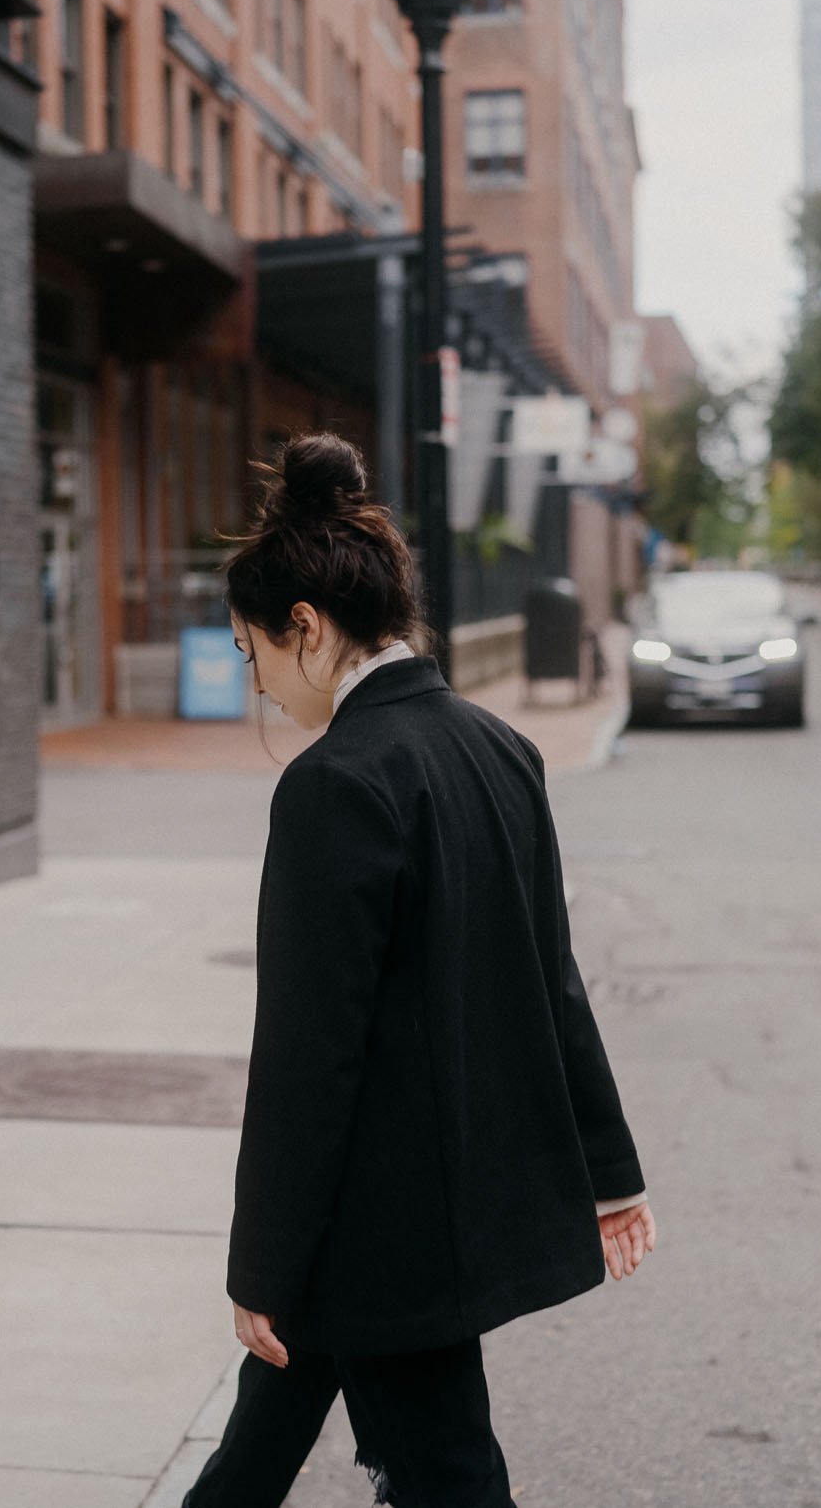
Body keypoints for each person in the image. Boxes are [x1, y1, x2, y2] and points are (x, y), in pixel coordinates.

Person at [184, 434, 654, 1508]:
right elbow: (553, 976)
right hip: (422, 1211)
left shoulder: (334, 784)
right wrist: (609, 1163)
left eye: (252, 652)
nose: (258, 682)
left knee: (446, 1480)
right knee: (254, 1456)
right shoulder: (499, 748)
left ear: (304, 626)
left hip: (382, 1230)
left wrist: (258, 1265)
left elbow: (308, 1057)